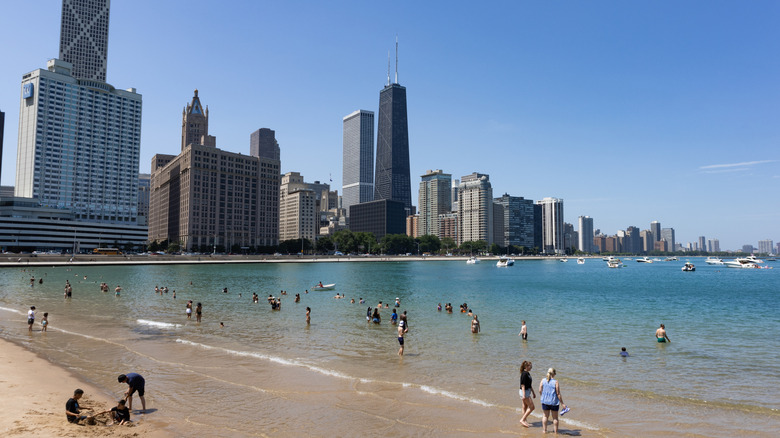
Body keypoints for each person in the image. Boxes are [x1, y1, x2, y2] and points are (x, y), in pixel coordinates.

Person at [539, 368, 567, 434]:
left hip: (545, 401)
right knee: (555, 418)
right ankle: (555, 432)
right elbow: (558, 393)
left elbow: (540, 390)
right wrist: (562, 403)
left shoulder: (543, 380)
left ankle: (544, 430)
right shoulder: (555, 382)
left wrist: (543, 396)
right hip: (554, 402)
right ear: (554, 374)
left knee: (545, 416)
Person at [519, 361, 535, 427]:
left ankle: (524, 421)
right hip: (524, 391)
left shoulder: (527, 373)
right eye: (530, 366)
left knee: (525, 406)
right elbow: (523, 385)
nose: (531, 367)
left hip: (527, 391)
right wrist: (524, 394)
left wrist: (533, 392)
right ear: (526, 367)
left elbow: (529, 384)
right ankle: (522, 420)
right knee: (532, 407)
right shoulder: (524, 374)